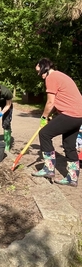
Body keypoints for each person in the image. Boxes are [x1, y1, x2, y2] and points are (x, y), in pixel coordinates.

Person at [32, 58, 82, 187]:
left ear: (45, 68)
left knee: (44, 134)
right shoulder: (61, 76)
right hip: (78, 116)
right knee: (69, 145)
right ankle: (72, 178)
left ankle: (48, 169)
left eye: (39, 71)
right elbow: (64, 99)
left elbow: (50, 102)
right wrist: (53, 114)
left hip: (70, 114)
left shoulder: (51, 77)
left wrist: (44, 117)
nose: (39, 75)